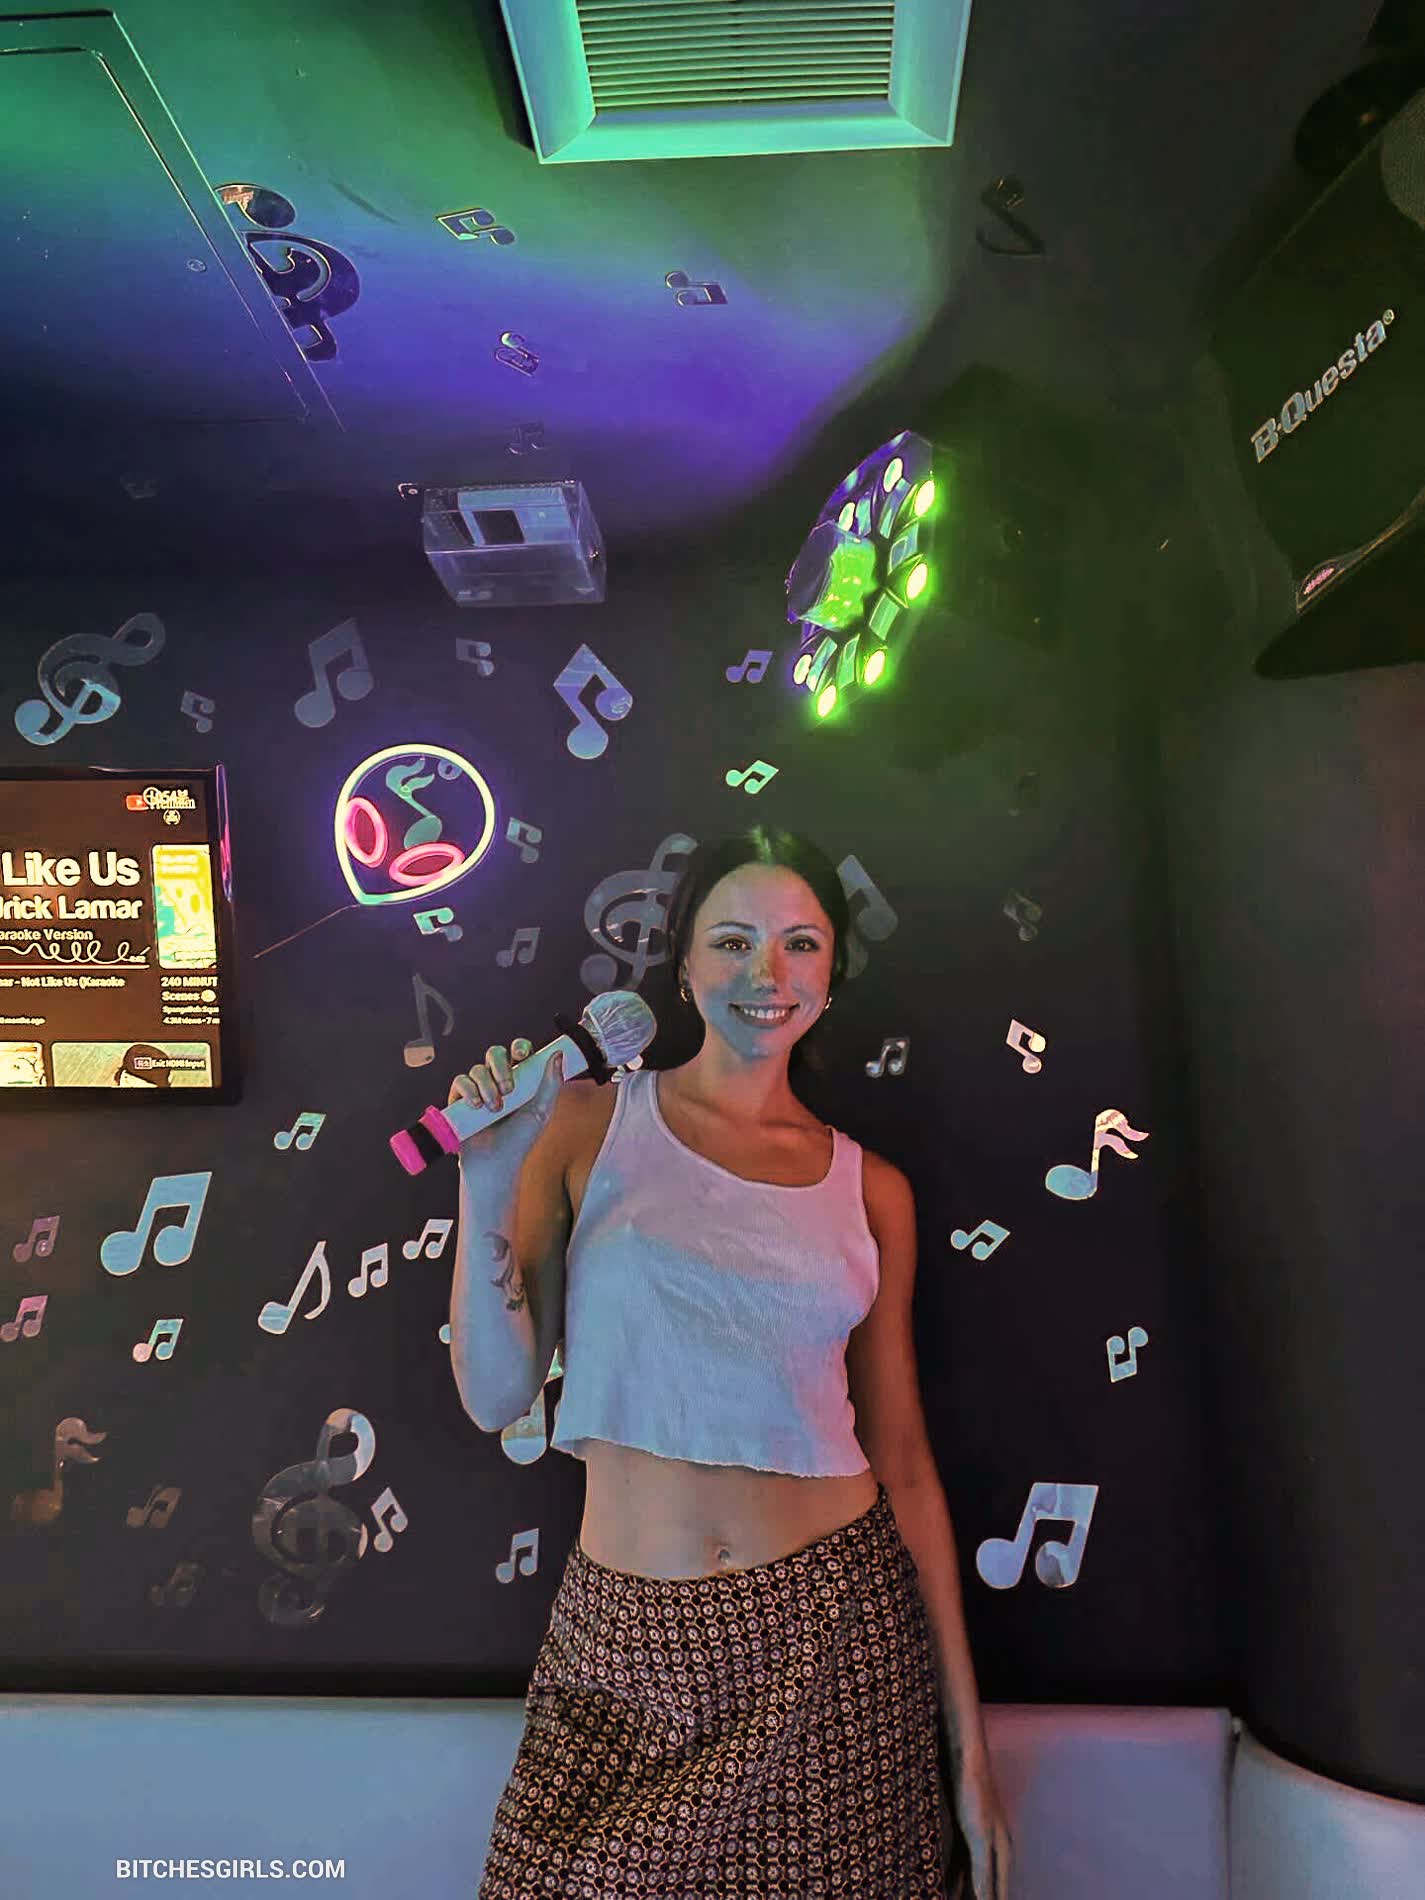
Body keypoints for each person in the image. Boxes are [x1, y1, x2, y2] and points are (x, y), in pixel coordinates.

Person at [449, 825, 988, 1898]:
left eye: (799, 944)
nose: (765, 974)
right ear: (685, 966)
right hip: (621, 1645)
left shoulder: (871, 1189)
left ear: (830, 974)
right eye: (733, 941)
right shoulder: (586, 1123)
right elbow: (495, 1394)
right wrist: (485, 1178)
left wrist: (969, 1752)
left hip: (834, 1644)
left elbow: (906, 1465)